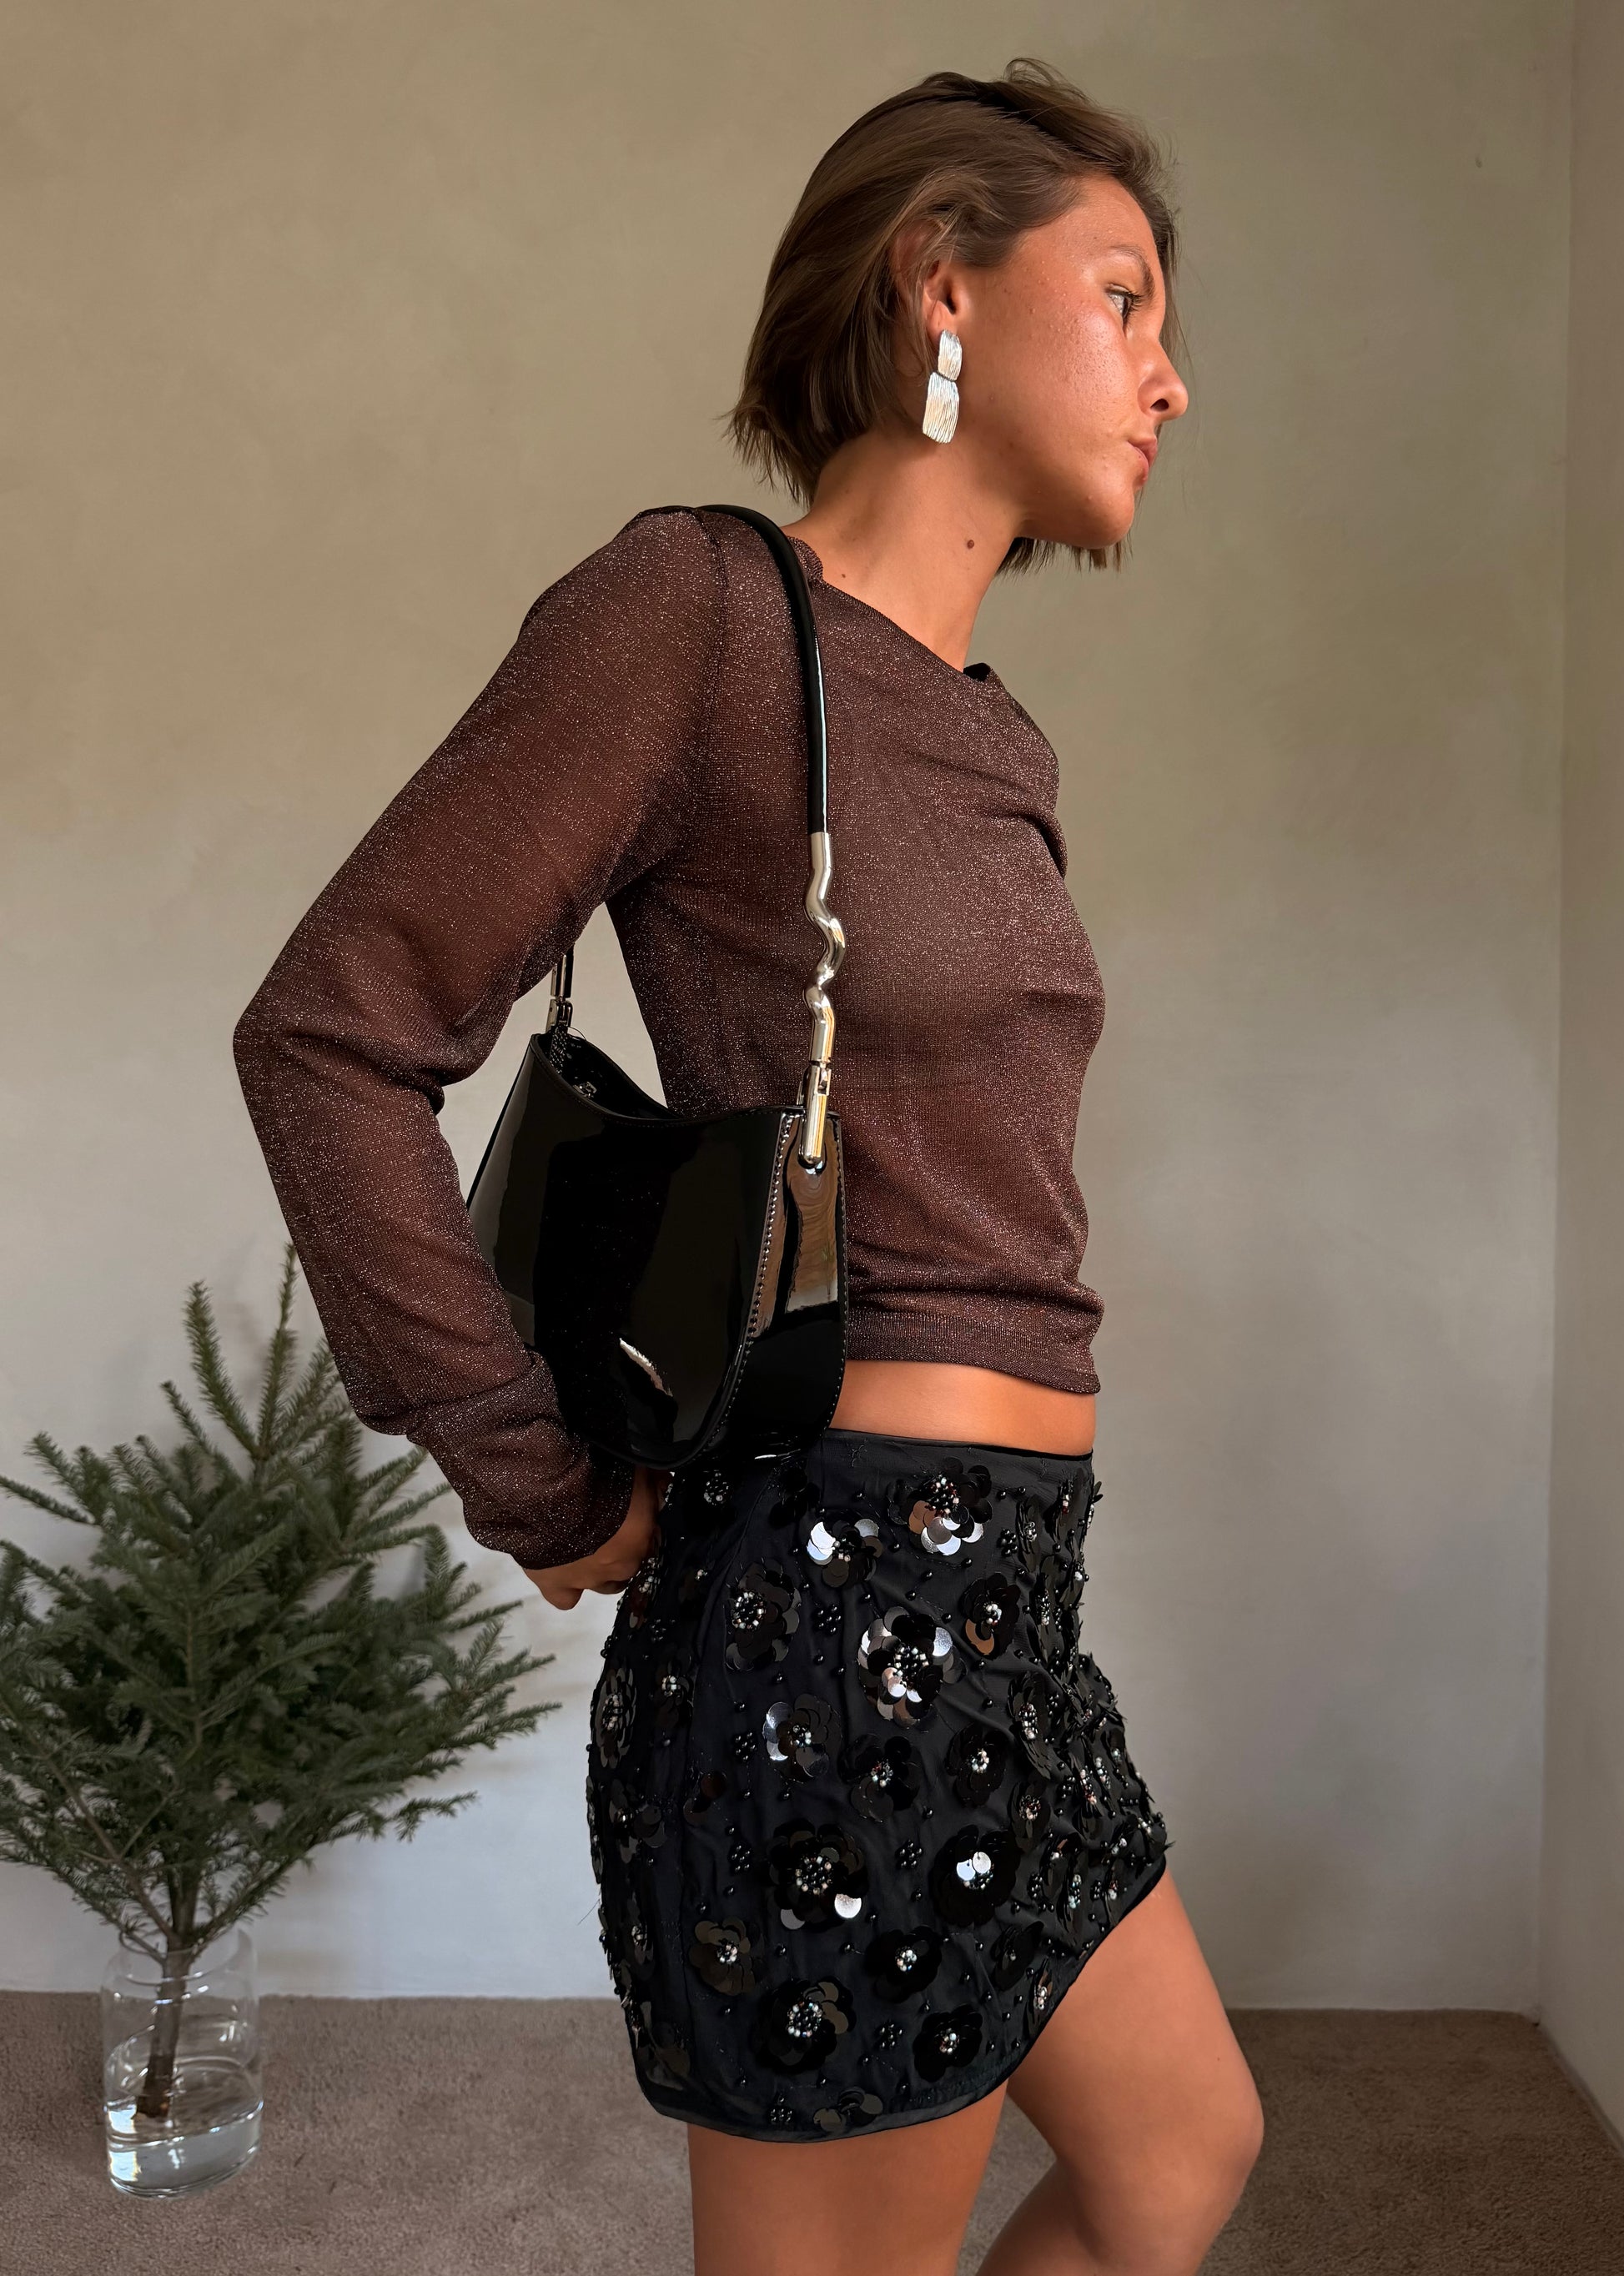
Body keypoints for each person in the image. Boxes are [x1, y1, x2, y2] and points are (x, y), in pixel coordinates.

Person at [234, 55, 1262, 2276]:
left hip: (1015, 1603)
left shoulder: (985, 730)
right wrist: (532, 1474)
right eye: (1125, 298)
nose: (1171, 377)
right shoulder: (698, 617)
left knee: (1178, 2153)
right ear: (941, 284)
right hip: (834, 1610)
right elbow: (328, 1035)